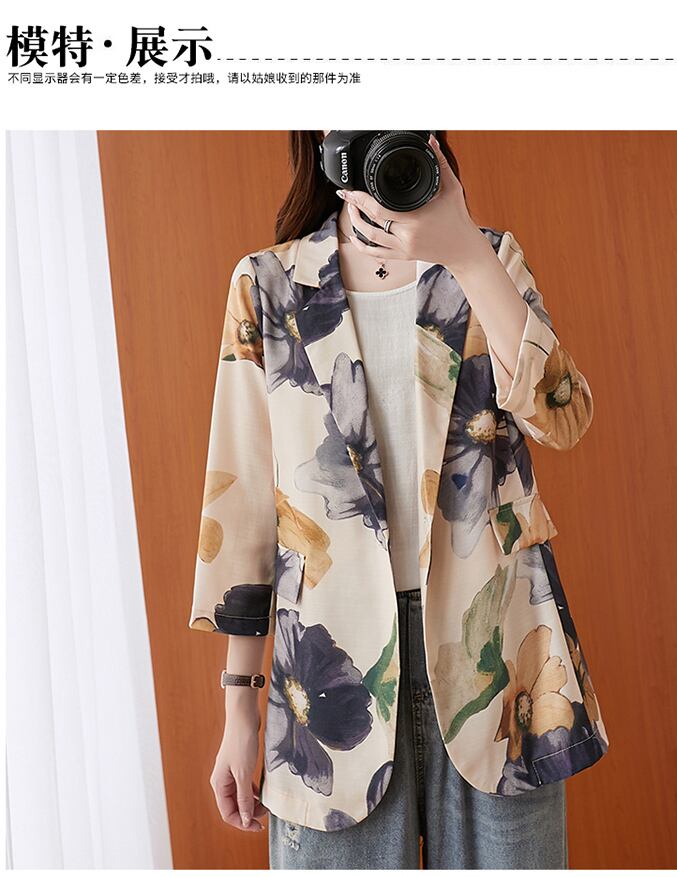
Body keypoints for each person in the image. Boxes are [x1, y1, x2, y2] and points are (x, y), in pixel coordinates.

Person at [189, 130, 608, 869]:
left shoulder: (490, 259)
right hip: (327, 679)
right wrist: (239, 710)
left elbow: (564, 417)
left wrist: (466, 253)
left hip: (497, 667)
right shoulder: (268, 285)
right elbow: (245, 505)